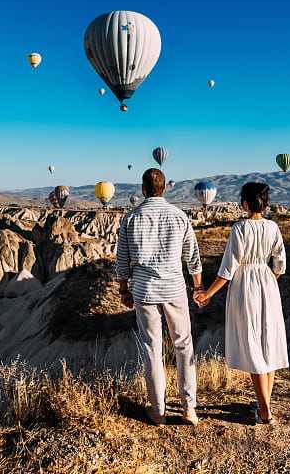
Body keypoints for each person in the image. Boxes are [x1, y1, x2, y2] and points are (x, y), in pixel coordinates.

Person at [194, 182, 288, 424]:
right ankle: (264, 405)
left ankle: (265, 410)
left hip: (245, 285)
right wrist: (267, 278)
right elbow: (280, 264)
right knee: (268, 342)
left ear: (245, 203)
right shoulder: (273, 227)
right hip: (267, 283)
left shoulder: (239, 229)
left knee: (253, 344)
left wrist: (207, 294)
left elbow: (227, 269)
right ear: (265, 203)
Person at [115, 168, 203, 425]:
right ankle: (189, 408)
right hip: (174, 288)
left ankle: (159, 411)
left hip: (144, 291)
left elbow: (122, 262)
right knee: (184, 345)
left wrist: (124, 290)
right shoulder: (179, 217)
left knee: (152, 350)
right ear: (165, 188)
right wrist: (197, 287)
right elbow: (193, 257)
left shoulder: (130, 219)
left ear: (143, 189)